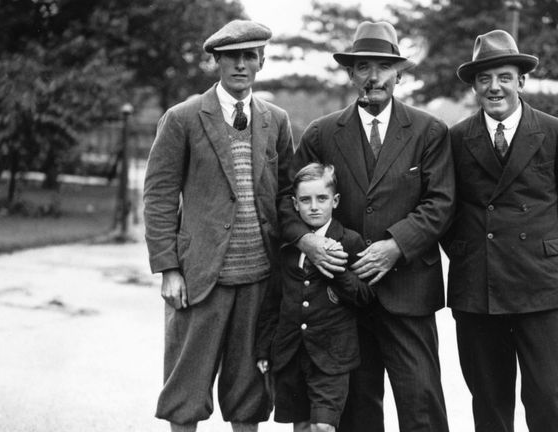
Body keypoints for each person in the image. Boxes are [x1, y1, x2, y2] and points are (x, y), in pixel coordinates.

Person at [280, 21, 455, 432]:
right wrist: (309, 243)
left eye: (383, 67)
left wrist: (395, 246)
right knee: (356, 410)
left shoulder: (429, 131)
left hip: (409, 291)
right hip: (341, 296)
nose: (373, 77)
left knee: (421, 404)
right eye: (363, 67)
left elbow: (441, 203)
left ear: (399, 74)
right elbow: (286, 202)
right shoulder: (322, 133)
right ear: (351, 74)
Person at [143, 19, 294, 432]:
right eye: (231, 58)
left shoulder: (276, 120)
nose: (241, 66)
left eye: (249, 56)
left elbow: (286, 195)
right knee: (186, 391)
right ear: (216, 62)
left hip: (259, 277)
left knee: (248, 393)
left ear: (261, 61)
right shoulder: (183, 118)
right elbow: (158, 197)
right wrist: (168, 268)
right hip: (200, 275)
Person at [443, 29, 558, 432]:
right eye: (485, 79)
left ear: (521, 81)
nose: (495, 88)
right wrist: (468, 253)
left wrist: (549, 256)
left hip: (540, 289)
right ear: (475, 85)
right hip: (478, 291)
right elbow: (444, 211)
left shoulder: (556, 132)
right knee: (490, 403)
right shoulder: (457, 139)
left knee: (549, 397)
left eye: (504, 77)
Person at [255, 162, 375, 432]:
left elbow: (366, 296)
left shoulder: (350, 241)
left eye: (321, 199)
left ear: (335, 201)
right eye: (305, 200)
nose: (314, 206)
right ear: (295, 205)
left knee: (323, 426)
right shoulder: (287, 247)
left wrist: (336, 270)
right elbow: (274, 301)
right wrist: (264, 348)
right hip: (292, 352)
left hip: (332, 357)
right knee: (302, 426)